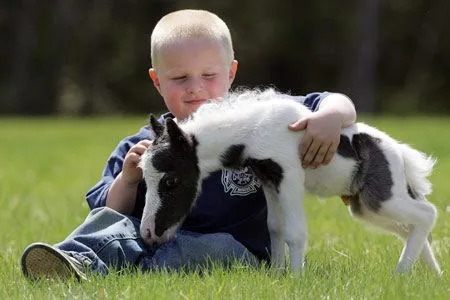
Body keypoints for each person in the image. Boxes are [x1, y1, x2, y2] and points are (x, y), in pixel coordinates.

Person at [21, 9, 356, 280]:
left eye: (208, 76)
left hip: (237, 247)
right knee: (113, 228)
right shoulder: (144, 144)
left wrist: (330, 116)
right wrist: (128, 179)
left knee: (210, 248)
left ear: (231, 73)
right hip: (151, 236)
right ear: (156, 81)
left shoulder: (257, 120)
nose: (195, 89)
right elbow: (109, 209)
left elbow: (331, 101)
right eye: (180, 78)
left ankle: (118, 266)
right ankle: (71, 259)